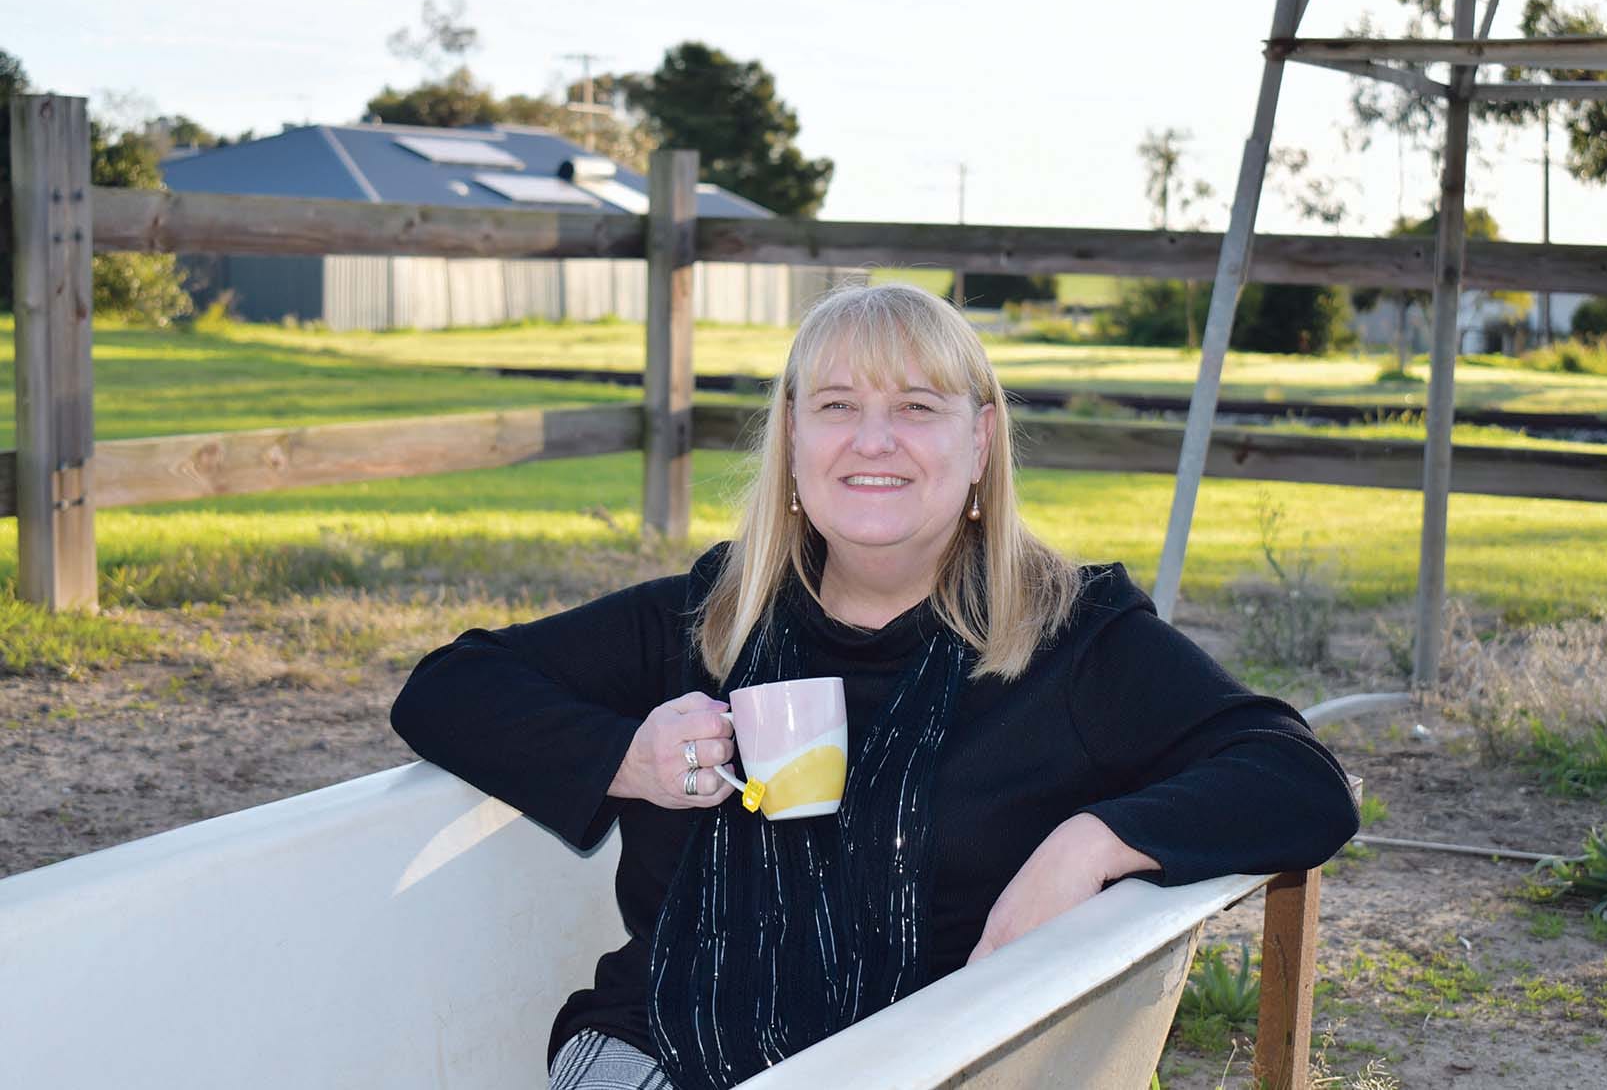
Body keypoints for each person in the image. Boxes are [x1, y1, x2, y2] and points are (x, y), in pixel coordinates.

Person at [390, 282, 1358, 1090]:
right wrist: (623, 757)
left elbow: (1294, 778)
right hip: (660, 1041)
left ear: (979, 439)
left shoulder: (1072, 636)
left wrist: (1089, 843)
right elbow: (448, 686)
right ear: (793, 437)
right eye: (838, 404)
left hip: (931, 1060)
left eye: (917, 407)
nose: (872, 440)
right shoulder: (708, 614)